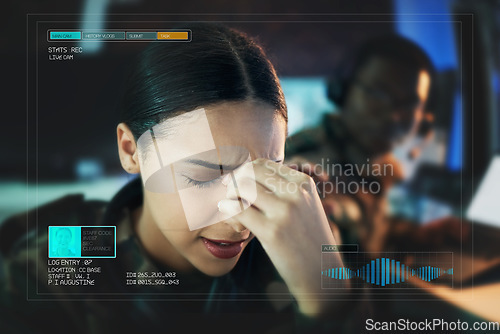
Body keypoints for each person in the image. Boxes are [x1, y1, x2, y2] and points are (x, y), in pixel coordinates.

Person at [0, 24, 360, 334]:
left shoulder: (300, 240)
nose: (240, 220)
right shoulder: (61, 259)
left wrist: (329, 298)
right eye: (205, 176)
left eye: (267, 172)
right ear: (131, 150)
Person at [285, 35, 435, 254]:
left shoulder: (377, 163)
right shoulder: (307, 166)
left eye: (410, 104)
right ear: (343, 90)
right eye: (378, 94)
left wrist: (418, 235)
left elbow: (367, 232)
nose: (394, 115)